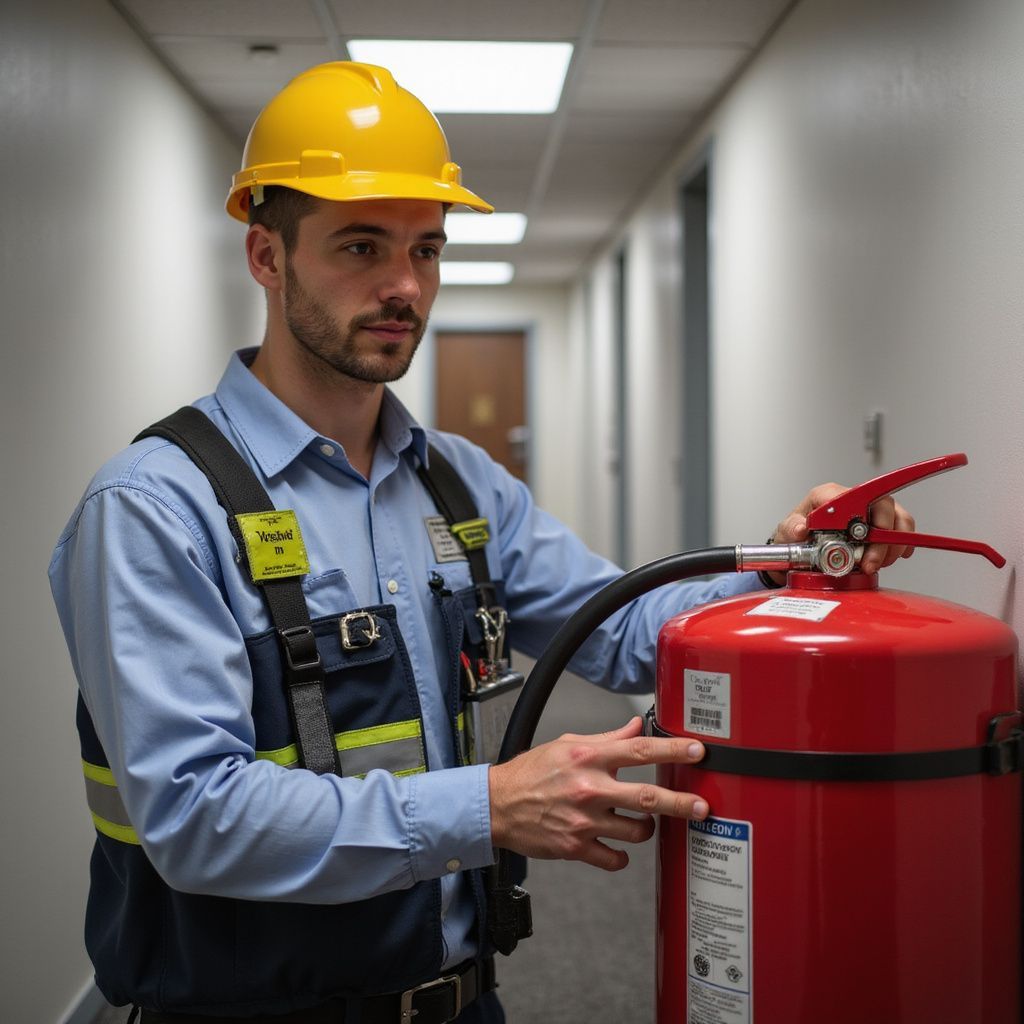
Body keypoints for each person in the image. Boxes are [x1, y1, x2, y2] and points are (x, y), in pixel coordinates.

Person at [49, 62, 913, 1024]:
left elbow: (624, 632)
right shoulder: (157, 508)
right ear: (267, 254)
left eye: (427, 250)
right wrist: (489, 806)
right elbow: (195, 819)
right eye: (361, 246)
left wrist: (791, 563)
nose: (403, 285)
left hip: (462, 1002)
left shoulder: (455, 483)